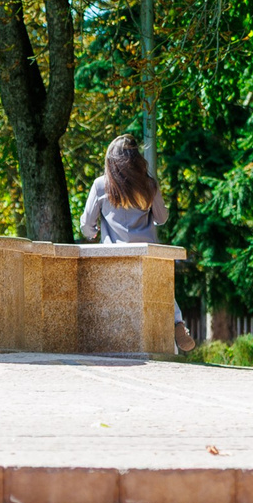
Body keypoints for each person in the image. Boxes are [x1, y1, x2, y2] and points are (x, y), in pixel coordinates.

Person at [79, 134, 194, 353]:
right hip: (147, 253)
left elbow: (86, 224)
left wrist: (92, 232)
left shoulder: (101, 185)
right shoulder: (149, 185)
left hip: (115, 256)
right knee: (161, 289)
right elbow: (161, 218)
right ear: (137, 159)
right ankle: (177, 323)